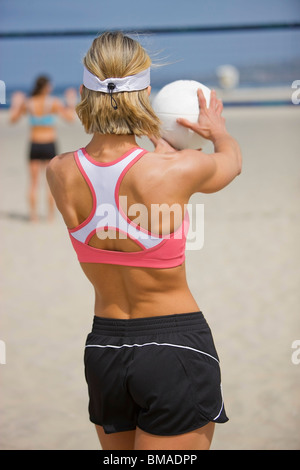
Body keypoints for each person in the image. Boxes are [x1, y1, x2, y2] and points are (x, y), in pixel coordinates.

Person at [46, 32, 242, 451]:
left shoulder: (58, 172)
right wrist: (218, 132)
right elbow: (232, 163)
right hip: (173, 347)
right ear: (146, 94)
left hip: (104, 349)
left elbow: (112, 176)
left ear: (84, 91)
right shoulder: (176, 170)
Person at [9, 75, 76, 222]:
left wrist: (15, 104)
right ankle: (50, 216)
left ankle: (33, 216)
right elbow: (70, 118)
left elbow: (13, 120)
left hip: (34, 145)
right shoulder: (54, 102)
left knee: (33, 183)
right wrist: (71, 101)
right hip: (49, 145)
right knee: (50, 183)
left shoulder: (28, 103)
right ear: (46, 87)